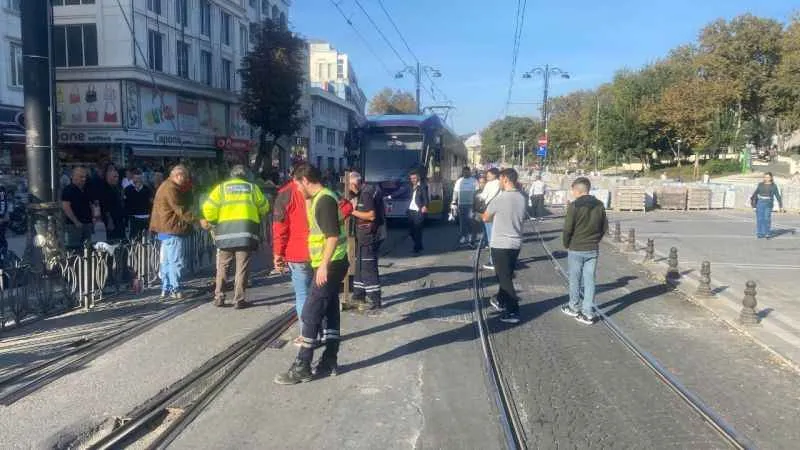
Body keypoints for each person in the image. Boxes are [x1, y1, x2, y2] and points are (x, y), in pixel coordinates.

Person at [275, 164, 349, 384]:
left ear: (305, 180)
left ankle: (303, 366)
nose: (297, 189)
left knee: (310, 312)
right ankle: (329, 360)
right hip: (332, 262)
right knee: (331, 310)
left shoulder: (324, 200)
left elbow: (332, 236)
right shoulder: (322, 197)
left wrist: (324, 265)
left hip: (330, 264)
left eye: (298, 185)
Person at [201, 165, 270, 308]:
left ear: (231, 176)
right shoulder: (252, 188)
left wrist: (214, 220)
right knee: (242, 267)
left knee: (223, 266)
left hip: (225, 234)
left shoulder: (221, 189)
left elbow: (208, 208)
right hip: (246, 233)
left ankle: (219, 296)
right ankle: (238, 299)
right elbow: (264, 207)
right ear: (246, 176)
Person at [273, 165, 312, 345]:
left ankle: (307, 334)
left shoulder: (285, 194)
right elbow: (343, 209)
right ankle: (325, 331)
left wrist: (278, 254)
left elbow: (280, 227)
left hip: (298, 253)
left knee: (303, 295)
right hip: (322, 252)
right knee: (320, 294)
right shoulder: (322, 191)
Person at [482, 168, 527, 324]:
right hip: (515, 243)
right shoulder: (522, 198)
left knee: (505, 279)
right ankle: (500, 300)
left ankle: (513, 310)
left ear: (506, 180)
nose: (499, 183)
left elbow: (486, 218)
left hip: (500, 243)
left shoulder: (500, 199)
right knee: (506, 275)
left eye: (500, 180)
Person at [562, 177, 608, 325]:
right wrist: (596, 240)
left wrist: (566, 244)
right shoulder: (600, 205)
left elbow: (568, 229)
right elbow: (604, 227)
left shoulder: (574, 206)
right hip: (592, 248)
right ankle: (587, 312)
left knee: (575, 279)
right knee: (590, 280)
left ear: (577, 190)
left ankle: (573, 307)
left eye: (572, 190)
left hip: (576, 247)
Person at [150, 165, 195, 299]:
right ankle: (175, 288)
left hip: (164, 229)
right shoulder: (171, 188)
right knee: (176, 261)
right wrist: (197, 221)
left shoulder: (166, 185)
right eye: (185, 177)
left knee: (167, 261)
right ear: (178, 176)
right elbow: (180, 209)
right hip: (172, 229)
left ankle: (166, 287)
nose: (186, 180)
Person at [348, 171, 385, 310]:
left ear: (354, 183)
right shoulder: (369, 189)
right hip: (364, 235)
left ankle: (374, 298)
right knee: (359, 266)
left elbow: (370, 215)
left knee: (368, 266)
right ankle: (358, 294)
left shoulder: (366, 193)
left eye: (350, 187)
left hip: (369, 235)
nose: (349, 191)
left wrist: (351, 211)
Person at [61, 167, 97, 250]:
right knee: (74, 248)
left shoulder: (86, 189)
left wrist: (93, 218)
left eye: (85, 177)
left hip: (87, 223)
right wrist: (76, 221)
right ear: (73, 177)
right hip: (74, 225)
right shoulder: (68, 190)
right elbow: (66, 207)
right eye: (81, 177)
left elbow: (90, 204)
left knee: (87, 248)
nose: (83, 179)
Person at [478, 168, 501, 270]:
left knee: (491, 236)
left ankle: (493, 262)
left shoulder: (489, 184)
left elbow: (483, 197)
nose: (487, 176)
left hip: (490, 211)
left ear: (494, 175)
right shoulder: (501, 183)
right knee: (498, 236)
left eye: (489, 174)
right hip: (500, 212)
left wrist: (477, 195)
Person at [750, 172, 784, 239]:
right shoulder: (760, 184)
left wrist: (781, 206)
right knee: (760, 219)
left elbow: (778, 196)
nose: (766, 178)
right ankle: (759, 233)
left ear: (771, 178)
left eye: (768, 177)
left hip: (768, 203)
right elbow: (755, 194)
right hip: (760, 202)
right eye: (765, 177)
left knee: (767, 218)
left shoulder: (773, 186)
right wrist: (754, 205)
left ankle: (767, 233)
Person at [124, 169, 154, 240]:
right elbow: (126, 204)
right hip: (134, 217)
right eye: (136, 178)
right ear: (133, 179)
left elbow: (151, 203)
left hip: (146, 217)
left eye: (139, 178)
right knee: (134, 238)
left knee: (146, 238)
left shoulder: (147, 189)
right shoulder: (128, 189)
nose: (137, 180)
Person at [98, 166, 126, 242]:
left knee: (121, 238)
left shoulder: (117, 187)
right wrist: (110, 220)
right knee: (112, 239)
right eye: (115, 177)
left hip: (119, 218)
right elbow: (105, 206)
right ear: (108, 176)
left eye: (117, 176)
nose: (117, 178)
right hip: (111, 219)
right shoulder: (104, 188)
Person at [452, 167, 478, 246]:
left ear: (470, 172)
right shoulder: (459, 181)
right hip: (461, 204)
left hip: (471, 204)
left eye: (467, 172)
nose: (466, 173)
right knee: (462, 222)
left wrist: (476, 203)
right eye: (464, 172)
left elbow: (477, 192)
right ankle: (464, 237)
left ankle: (472, 238)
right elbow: (455, 192)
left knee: (471, 222)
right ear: (462, 173)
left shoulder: (474, 181)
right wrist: (453, 202)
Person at [407, 169, 429, 255]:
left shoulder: (423, 187)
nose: (413, 180)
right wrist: (390, 196)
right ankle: (419, 245)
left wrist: (425, 206)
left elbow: (426, 198)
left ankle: (416, 248)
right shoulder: (410, 186)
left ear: (418, 178)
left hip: (418, 212)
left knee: (417, 230)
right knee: (411, 231)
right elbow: (401, 192)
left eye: (414, 178)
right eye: (411, 178)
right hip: (410, 212)